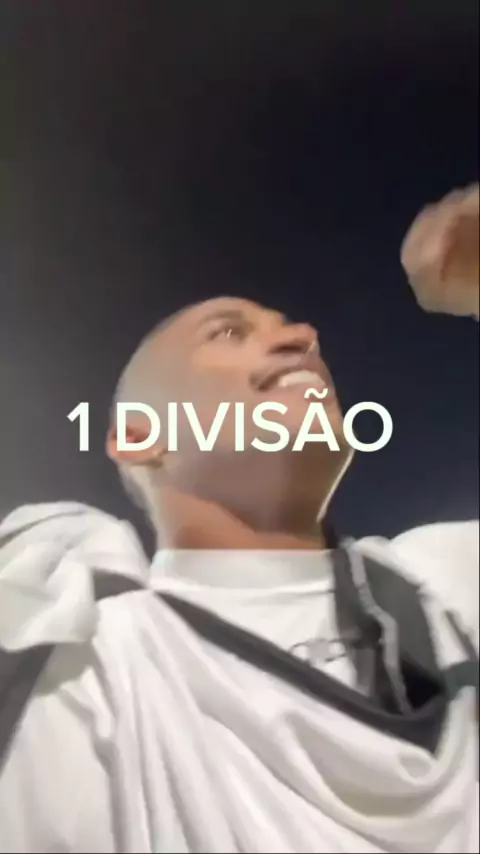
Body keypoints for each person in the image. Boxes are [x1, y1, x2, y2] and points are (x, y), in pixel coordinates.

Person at [0, 185, 478, 853]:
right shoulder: (84, 665)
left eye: (295, 328)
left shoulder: (453, 581)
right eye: (229, 331)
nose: (303, 337)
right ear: (140, 436)